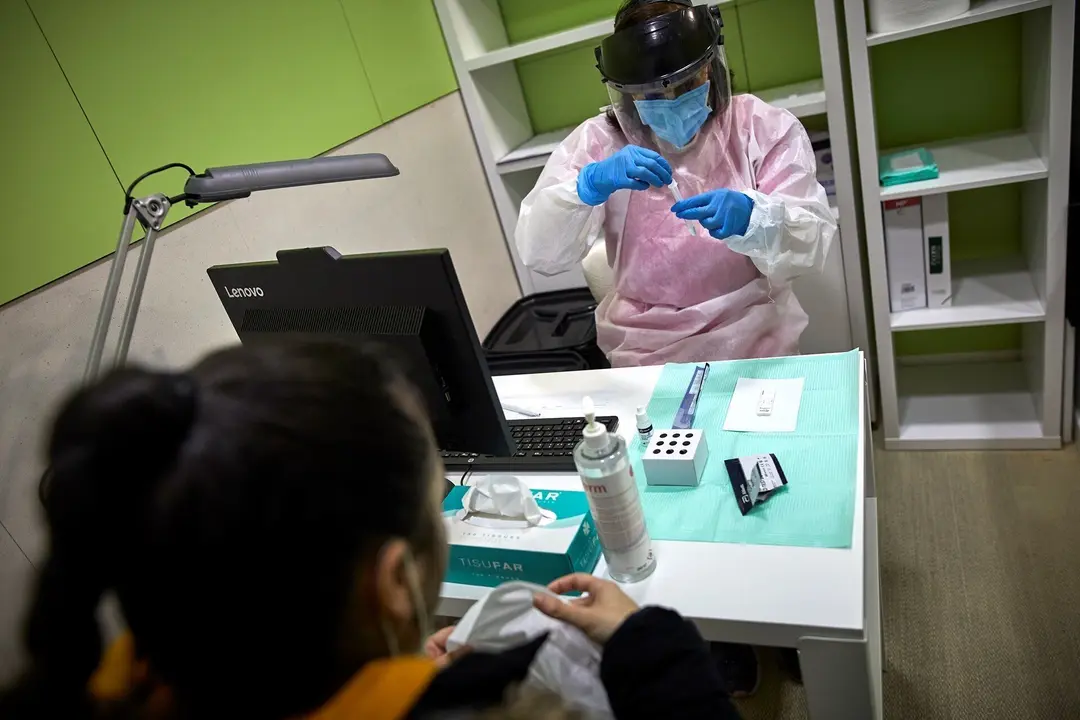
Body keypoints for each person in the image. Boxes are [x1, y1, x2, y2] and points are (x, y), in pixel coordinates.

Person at [0, 340, 741, 720]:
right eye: (438, 496)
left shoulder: (113, 686)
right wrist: (656, 649)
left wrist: (392, 672)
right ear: (393, 584)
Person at [516, 0, 836, 368]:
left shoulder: (760, 127)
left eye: (687, 83)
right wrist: (586, 187)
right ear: (627, 92)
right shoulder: (600, 142)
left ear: (709, 69)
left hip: (752, 336)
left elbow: (812, 241)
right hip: (647, 348)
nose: (670, 101)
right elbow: (538, 251)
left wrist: (756, 219)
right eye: (650, 93)